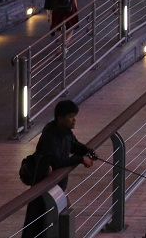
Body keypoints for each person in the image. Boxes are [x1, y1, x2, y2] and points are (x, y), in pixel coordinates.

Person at [22, 99, 95, 238]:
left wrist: (87, 151)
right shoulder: (50, 136)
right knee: (38, 224)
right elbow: (57, 161)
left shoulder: (66, 132)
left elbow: (74, 145)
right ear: (60, 118)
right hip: (44, 190)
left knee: (54, 222)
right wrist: (80, 159)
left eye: (75, 116)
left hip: (56, 188)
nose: (74, 120)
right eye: (71, 117)